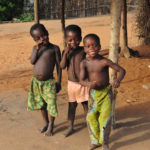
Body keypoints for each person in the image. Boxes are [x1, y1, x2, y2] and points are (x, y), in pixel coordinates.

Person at [60, 25, 109, 137]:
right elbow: (62, 66)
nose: (74, 42)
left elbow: (96, 53)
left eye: (77, 39)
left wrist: (110, 50)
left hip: (83, 84)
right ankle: (70, 127)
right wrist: (66, 53)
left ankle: (90, 125)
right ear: (66, 40)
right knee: (71, 107)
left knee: (86, 105)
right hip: (72, 85)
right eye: (70, 40)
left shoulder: (83, 50)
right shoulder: (65, 51)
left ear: (80, 38)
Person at [80, 34, 126, 150]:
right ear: (84, 49)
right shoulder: (84, 63)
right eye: (88, 46)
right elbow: (81, 80)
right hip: (93, 95)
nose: (91, 49)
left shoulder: (104, 61)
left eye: (94, 45)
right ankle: (95, 141)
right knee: (90, 117)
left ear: (99, 47)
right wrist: (88, 84)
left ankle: (104, 141)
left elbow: (121, 70)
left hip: (106, 94)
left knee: (105, 118)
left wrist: (117, 80)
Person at [27, 23, 62, 136]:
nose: (42, 39)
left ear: (47, 33)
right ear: (34, 40)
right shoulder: (35, 48)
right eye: (38, 38)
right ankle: (46, 122)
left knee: (51, 105)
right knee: (41, 104)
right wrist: (37, 49)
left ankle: (51, 125)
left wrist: (59, 82)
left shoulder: (54, 48)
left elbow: (59, 67)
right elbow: (32, 61)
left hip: (49, 83)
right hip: (36, 83)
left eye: (44, 35)